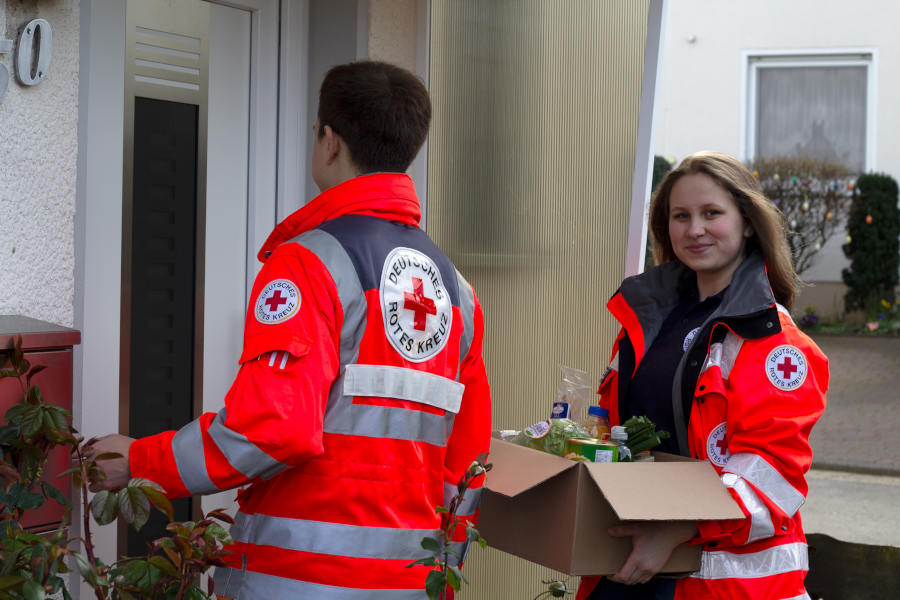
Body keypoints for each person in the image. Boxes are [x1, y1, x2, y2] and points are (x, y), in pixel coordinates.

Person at [86, 61, 492, 599]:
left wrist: (137, 461)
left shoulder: (310, 262)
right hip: (409, 586)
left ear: (329, 141)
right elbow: (466, 467)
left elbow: (271, 429)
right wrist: (440, 578)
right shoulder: (457, 292)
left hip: (297, 581)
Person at [577, 151, 828, 600]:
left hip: (721, 582)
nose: (694, 229)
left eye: (712, 213)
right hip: (630, 566)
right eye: (681, 216)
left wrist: (678, 530)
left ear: (748, 222)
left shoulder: (775, 345)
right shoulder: (644, 323)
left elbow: (772, 474)